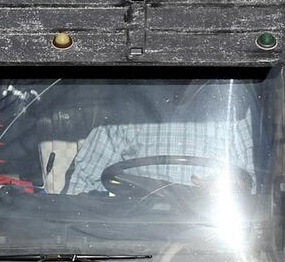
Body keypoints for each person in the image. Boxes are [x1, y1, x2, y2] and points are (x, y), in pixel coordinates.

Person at [65, 80, 256, 195]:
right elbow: (82, 181)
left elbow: (251, 186)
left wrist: (228, 185)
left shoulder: (232, 109)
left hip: (212, 234)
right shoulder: (130, 109)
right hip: (138, 234)